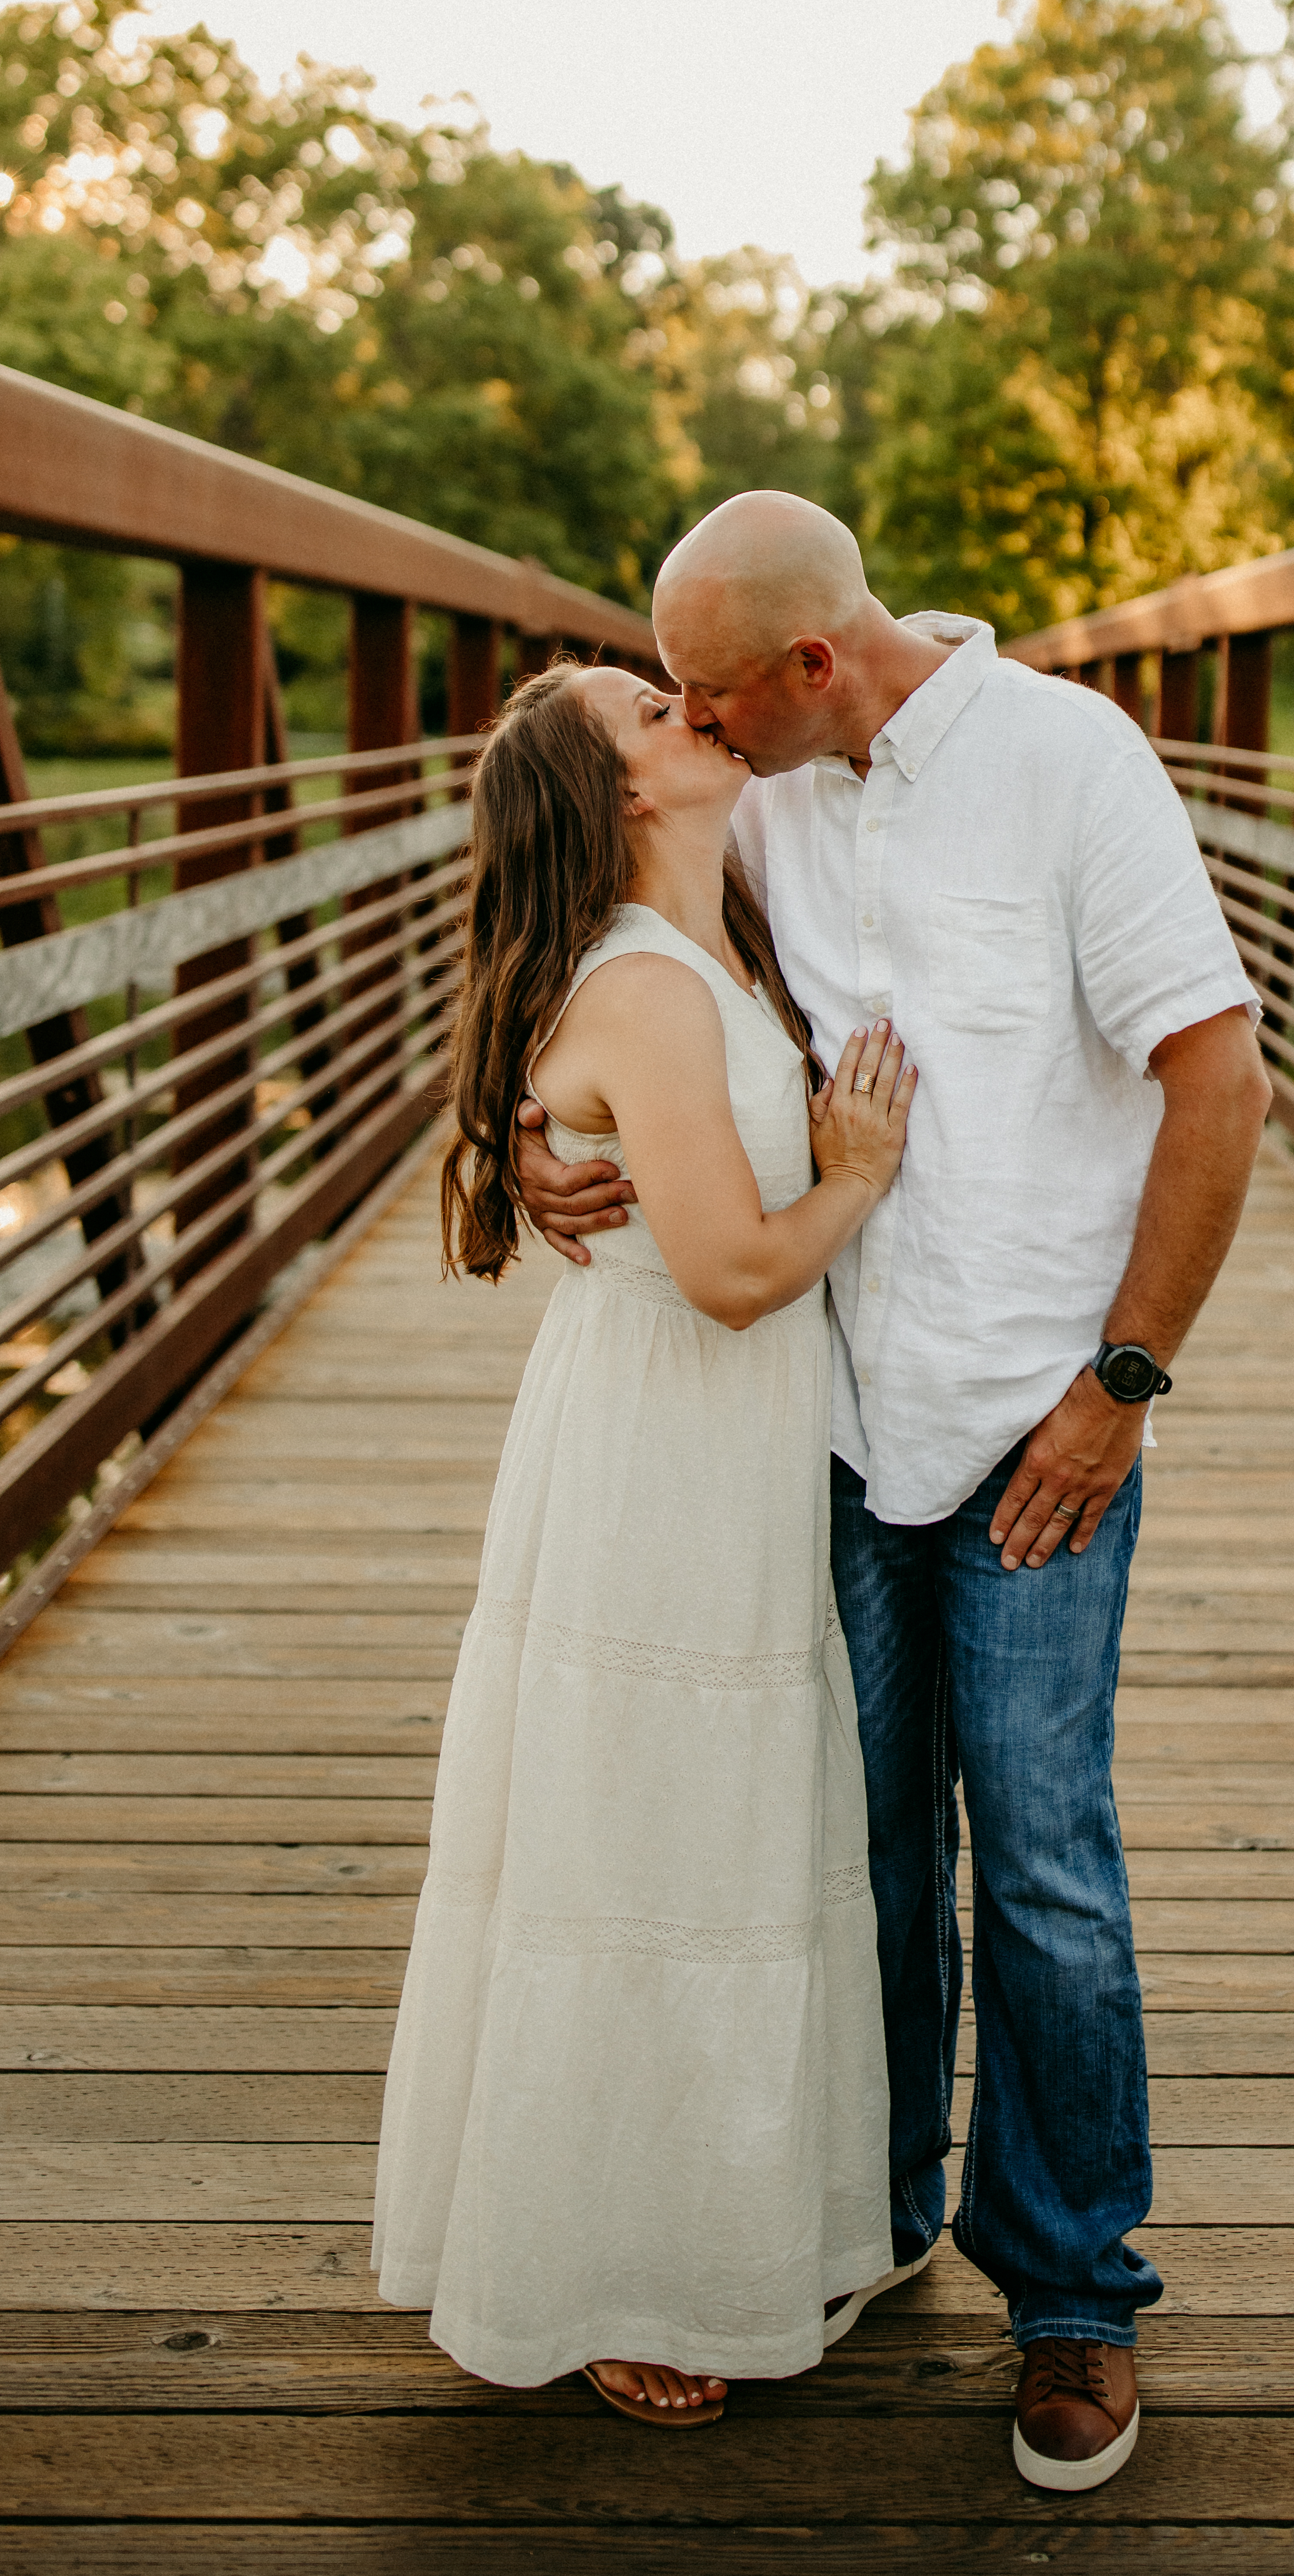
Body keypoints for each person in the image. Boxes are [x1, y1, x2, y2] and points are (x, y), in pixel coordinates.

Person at [519, 492, 1271, 2493]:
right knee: (843, 1853)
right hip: (829, 1425)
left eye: (706, 690)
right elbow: (598, 934)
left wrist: (1122, 1387)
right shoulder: (752, 786)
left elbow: (1221, 1082)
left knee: (1038, 1860)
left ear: (813, 668)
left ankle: (1074, 2302)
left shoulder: (1070, 768)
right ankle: (855, 2225)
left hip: (1041, 1423)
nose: (686, 722)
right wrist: (537, 1124)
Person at [372, 656, 922, 2424]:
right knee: (649, 1848)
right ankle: (621, 2262)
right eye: (646, 711)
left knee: (706, 1840)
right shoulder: (656, 991)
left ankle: (715, 2223)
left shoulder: (720, 934)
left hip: (706, 1444)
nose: (689, 706)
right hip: (675, 1448)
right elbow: (739, 1275)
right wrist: (855, 1174)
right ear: (619, 801)